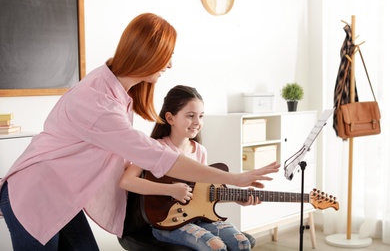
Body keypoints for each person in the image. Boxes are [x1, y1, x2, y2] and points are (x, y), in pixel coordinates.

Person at [0, 13, 280, 250]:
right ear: (148, 54)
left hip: (64, 194)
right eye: (167, 57)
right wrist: (235, 178)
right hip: (35, 194)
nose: (169, 65)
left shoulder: (116, 88)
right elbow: (159, 157)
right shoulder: (99, 103)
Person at [119, 85, 263, 250]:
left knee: (241, 242)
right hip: (167, 223)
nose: (197, 122)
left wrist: (237, 198)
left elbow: (202, 195)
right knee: (216, 246)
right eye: (190, 116)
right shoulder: (154, 149)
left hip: (198, 219)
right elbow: (127, 181)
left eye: (201, 116)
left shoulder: (200, 151)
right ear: (170, 118)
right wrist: (170, 190)